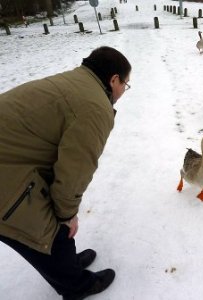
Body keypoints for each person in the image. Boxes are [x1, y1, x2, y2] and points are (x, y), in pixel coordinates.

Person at [0, 46, 131, 299]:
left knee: (54, 218)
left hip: (12, 161)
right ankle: (76, 285)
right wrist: (67, 215)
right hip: (6, 178)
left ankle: (67, 262)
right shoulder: (95, 108)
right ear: (114, 79)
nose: (124, 89)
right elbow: (73, 174)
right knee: (51, 228)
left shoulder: (76, 81)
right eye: (126, 83)